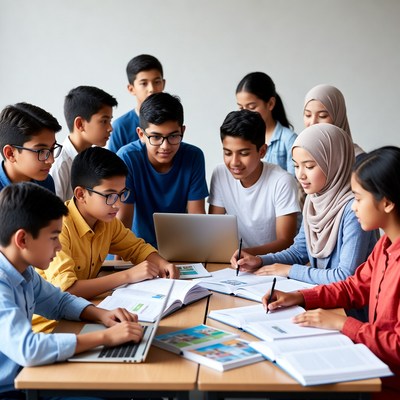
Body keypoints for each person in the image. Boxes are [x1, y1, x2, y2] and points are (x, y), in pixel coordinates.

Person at [262, 146, 400, 400]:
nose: (354, 207)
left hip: (387, 384)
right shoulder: (385, 245)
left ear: (388, 202)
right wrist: (301, 297)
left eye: (358, 198)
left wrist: (343, 323)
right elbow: (354, 287)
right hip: (372, 366)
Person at [0, 182, 144, 397]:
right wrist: (106, 338)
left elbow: (59, 302)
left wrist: (103, 315)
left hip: (31, 375)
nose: (59, 246)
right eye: (53, 237)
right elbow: (28, 349)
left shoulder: (24, 272)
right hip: (13, 389)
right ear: (22, 239)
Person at [34, 146, 178, 333]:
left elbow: (136, 248)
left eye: (121, 194)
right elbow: (67, 290)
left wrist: (163, 264)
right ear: (81, 194)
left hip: (83, 315)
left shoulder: (106, 220)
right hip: (50, 327)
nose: (118, 204)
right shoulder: (58, 227)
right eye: (109, 196)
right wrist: (128, 275)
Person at [233, 124, 377, 286]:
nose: (300, 175)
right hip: (322, 297)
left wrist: (289, 270)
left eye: (309, 166)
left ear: (334, 163)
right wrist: (260, 260)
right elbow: (299, 252)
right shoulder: (313, 200)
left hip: (347, 309)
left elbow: (345, 276)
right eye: (296, 165)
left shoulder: (354, 209)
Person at [117, 92, 209, 248]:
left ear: (182, 131)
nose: (165, 146)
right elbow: (123, 221)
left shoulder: (194, 157)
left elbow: (197, 218)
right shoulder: (128, 158)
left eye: (173, 136)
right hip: (134, 250)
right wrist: (120, 265)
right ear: (141, 134)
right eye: (156, 137)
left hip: (178, 249)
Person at [208, 109, 300, 256]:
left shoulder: (282, 181)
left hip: (272, 263)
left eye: (243, 153)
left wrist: (246, 254)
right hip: (234, 262)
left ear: (262, 151)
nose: (234, 162)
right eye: (227, 153)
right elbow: (213, 229)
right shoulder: (220, 173)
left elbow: (286, 242)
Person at [50, 85, 118, 201]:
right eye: (104, 121)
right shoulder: (61, 164)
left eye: (110, 121)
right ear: (80, 124)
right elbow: (54, 213)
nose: (110, 128)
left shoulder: (96, 160)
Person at [236, 72, 297, 175]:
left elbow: (294, 183)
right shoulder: (239, 137)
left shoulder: (289, 140)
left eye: (251, 107)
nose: (245, 113)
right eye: (241, 108)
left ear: (270, 104)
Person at [108, 54, 165, 153]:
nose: (151, 89)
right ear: (131, 89)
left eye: (156, 82)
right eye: (144, 83)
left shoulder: (172, 119)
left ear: (163, 83)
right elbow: (111, 166)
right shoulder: (121, 126)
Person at [0, 102, 62, 192]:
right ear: (10, 153)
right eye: (41, 151)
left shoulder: (46, 182)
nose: (51, 160)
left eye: (52, 149)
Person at [303, 83, 364, 158]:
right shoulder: (302, 153)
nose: (313, 123)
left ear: (339, 117)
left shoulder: (356, 158)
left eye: (323, 116)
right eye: (308, 115)